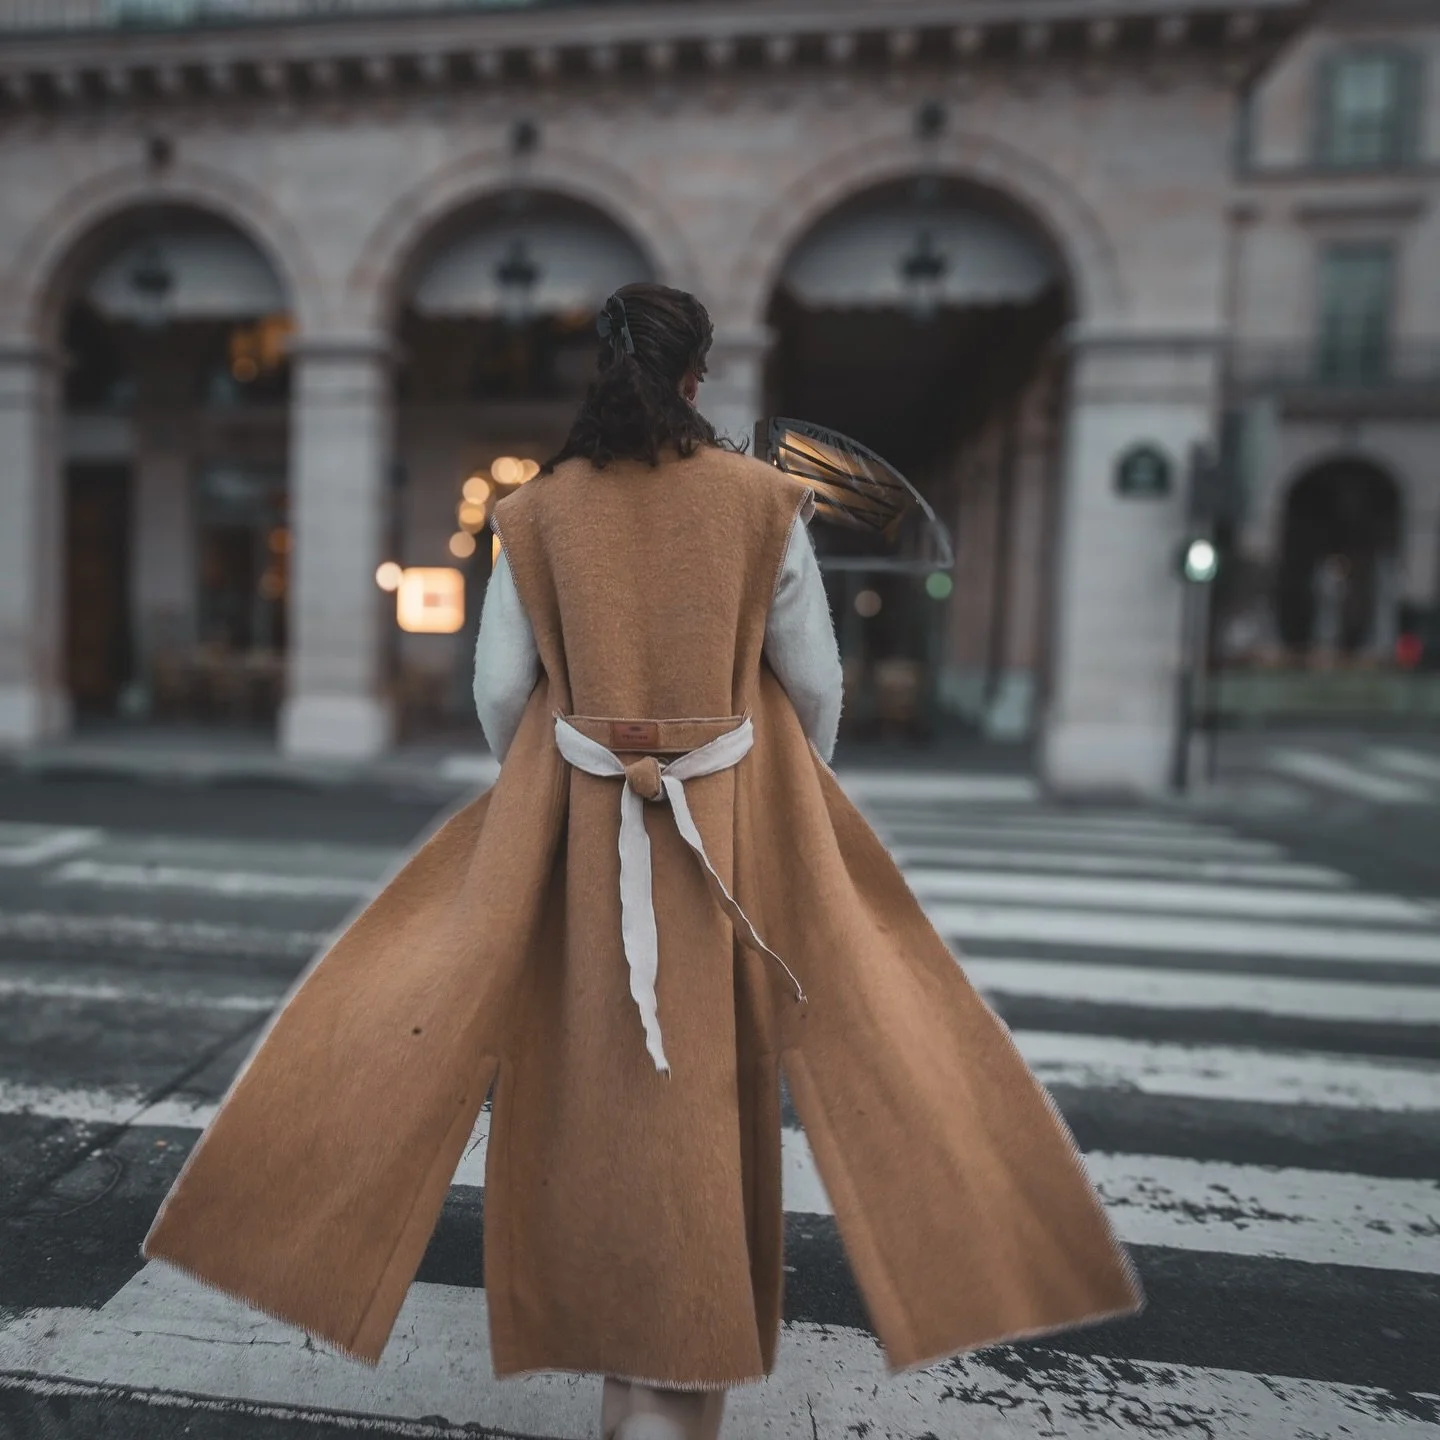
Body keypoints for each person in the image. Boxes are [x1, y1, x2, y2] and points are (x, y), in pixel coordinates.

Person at [143, 283, 1141, 1440]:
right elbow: (813, 682)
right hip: (718, 824)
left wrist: (558, 782)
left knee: (589, 1084)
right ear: (696, 376)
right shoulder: (767, 502)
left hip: (581, 825)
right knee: (715, 1088)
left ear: (598, 372)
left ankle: (619, 1355)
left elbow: (496, 690)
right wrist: (772, 783)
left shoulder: (538, 510)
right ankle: (673, 1372)